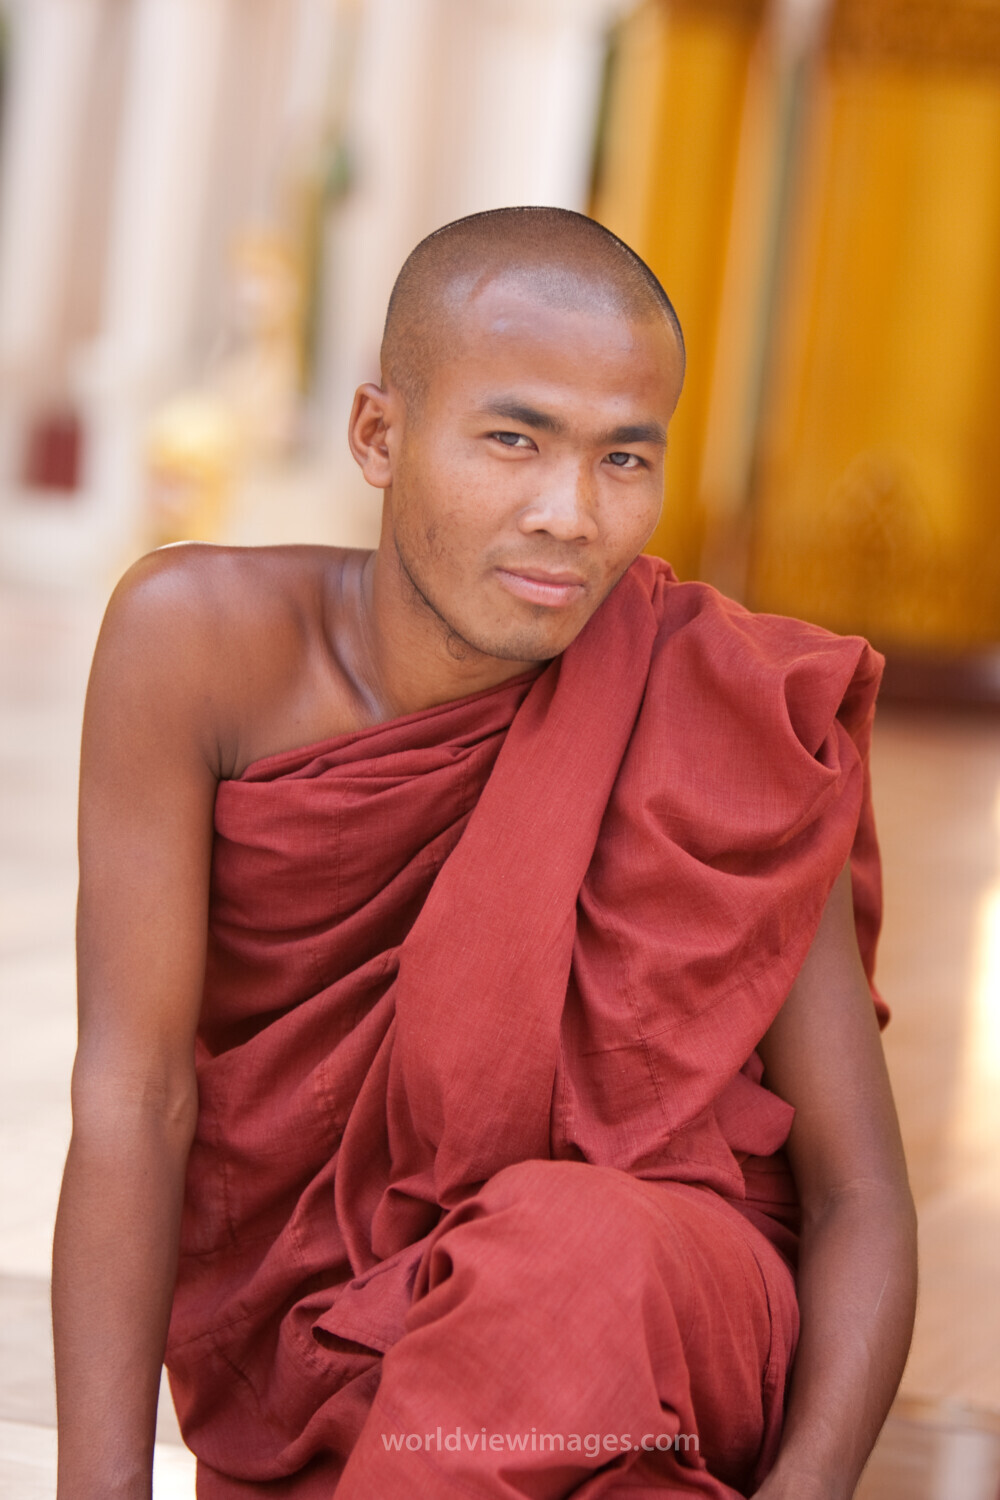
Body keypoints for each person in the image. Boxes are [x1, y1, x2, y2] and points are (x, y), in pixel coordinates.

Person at [53, 207, 917, 1500]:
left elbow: (861, 1201)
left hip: (651, 1308)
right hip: (345, 1363)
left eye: (626, 458)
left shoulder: (714, 706)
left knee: (560, 1254)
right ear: (378, 436)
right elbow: (134, 1097)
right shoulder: (194, 648)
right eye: (515, 440)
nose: (571, 514)